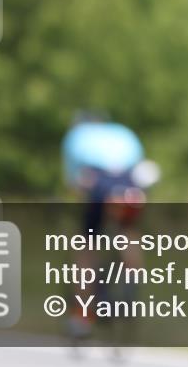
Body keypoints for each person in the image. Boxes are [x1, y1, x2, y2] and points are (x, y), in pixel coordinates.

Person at [61, 110, 159, 339]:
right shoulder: (123, 133)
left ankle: (82, 317)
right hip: (130, 182)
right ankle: (132, 280)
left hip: (98, 181)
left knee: (86, 246)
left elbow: (74, 182)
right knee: (128, 231)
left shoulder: (76, 135)